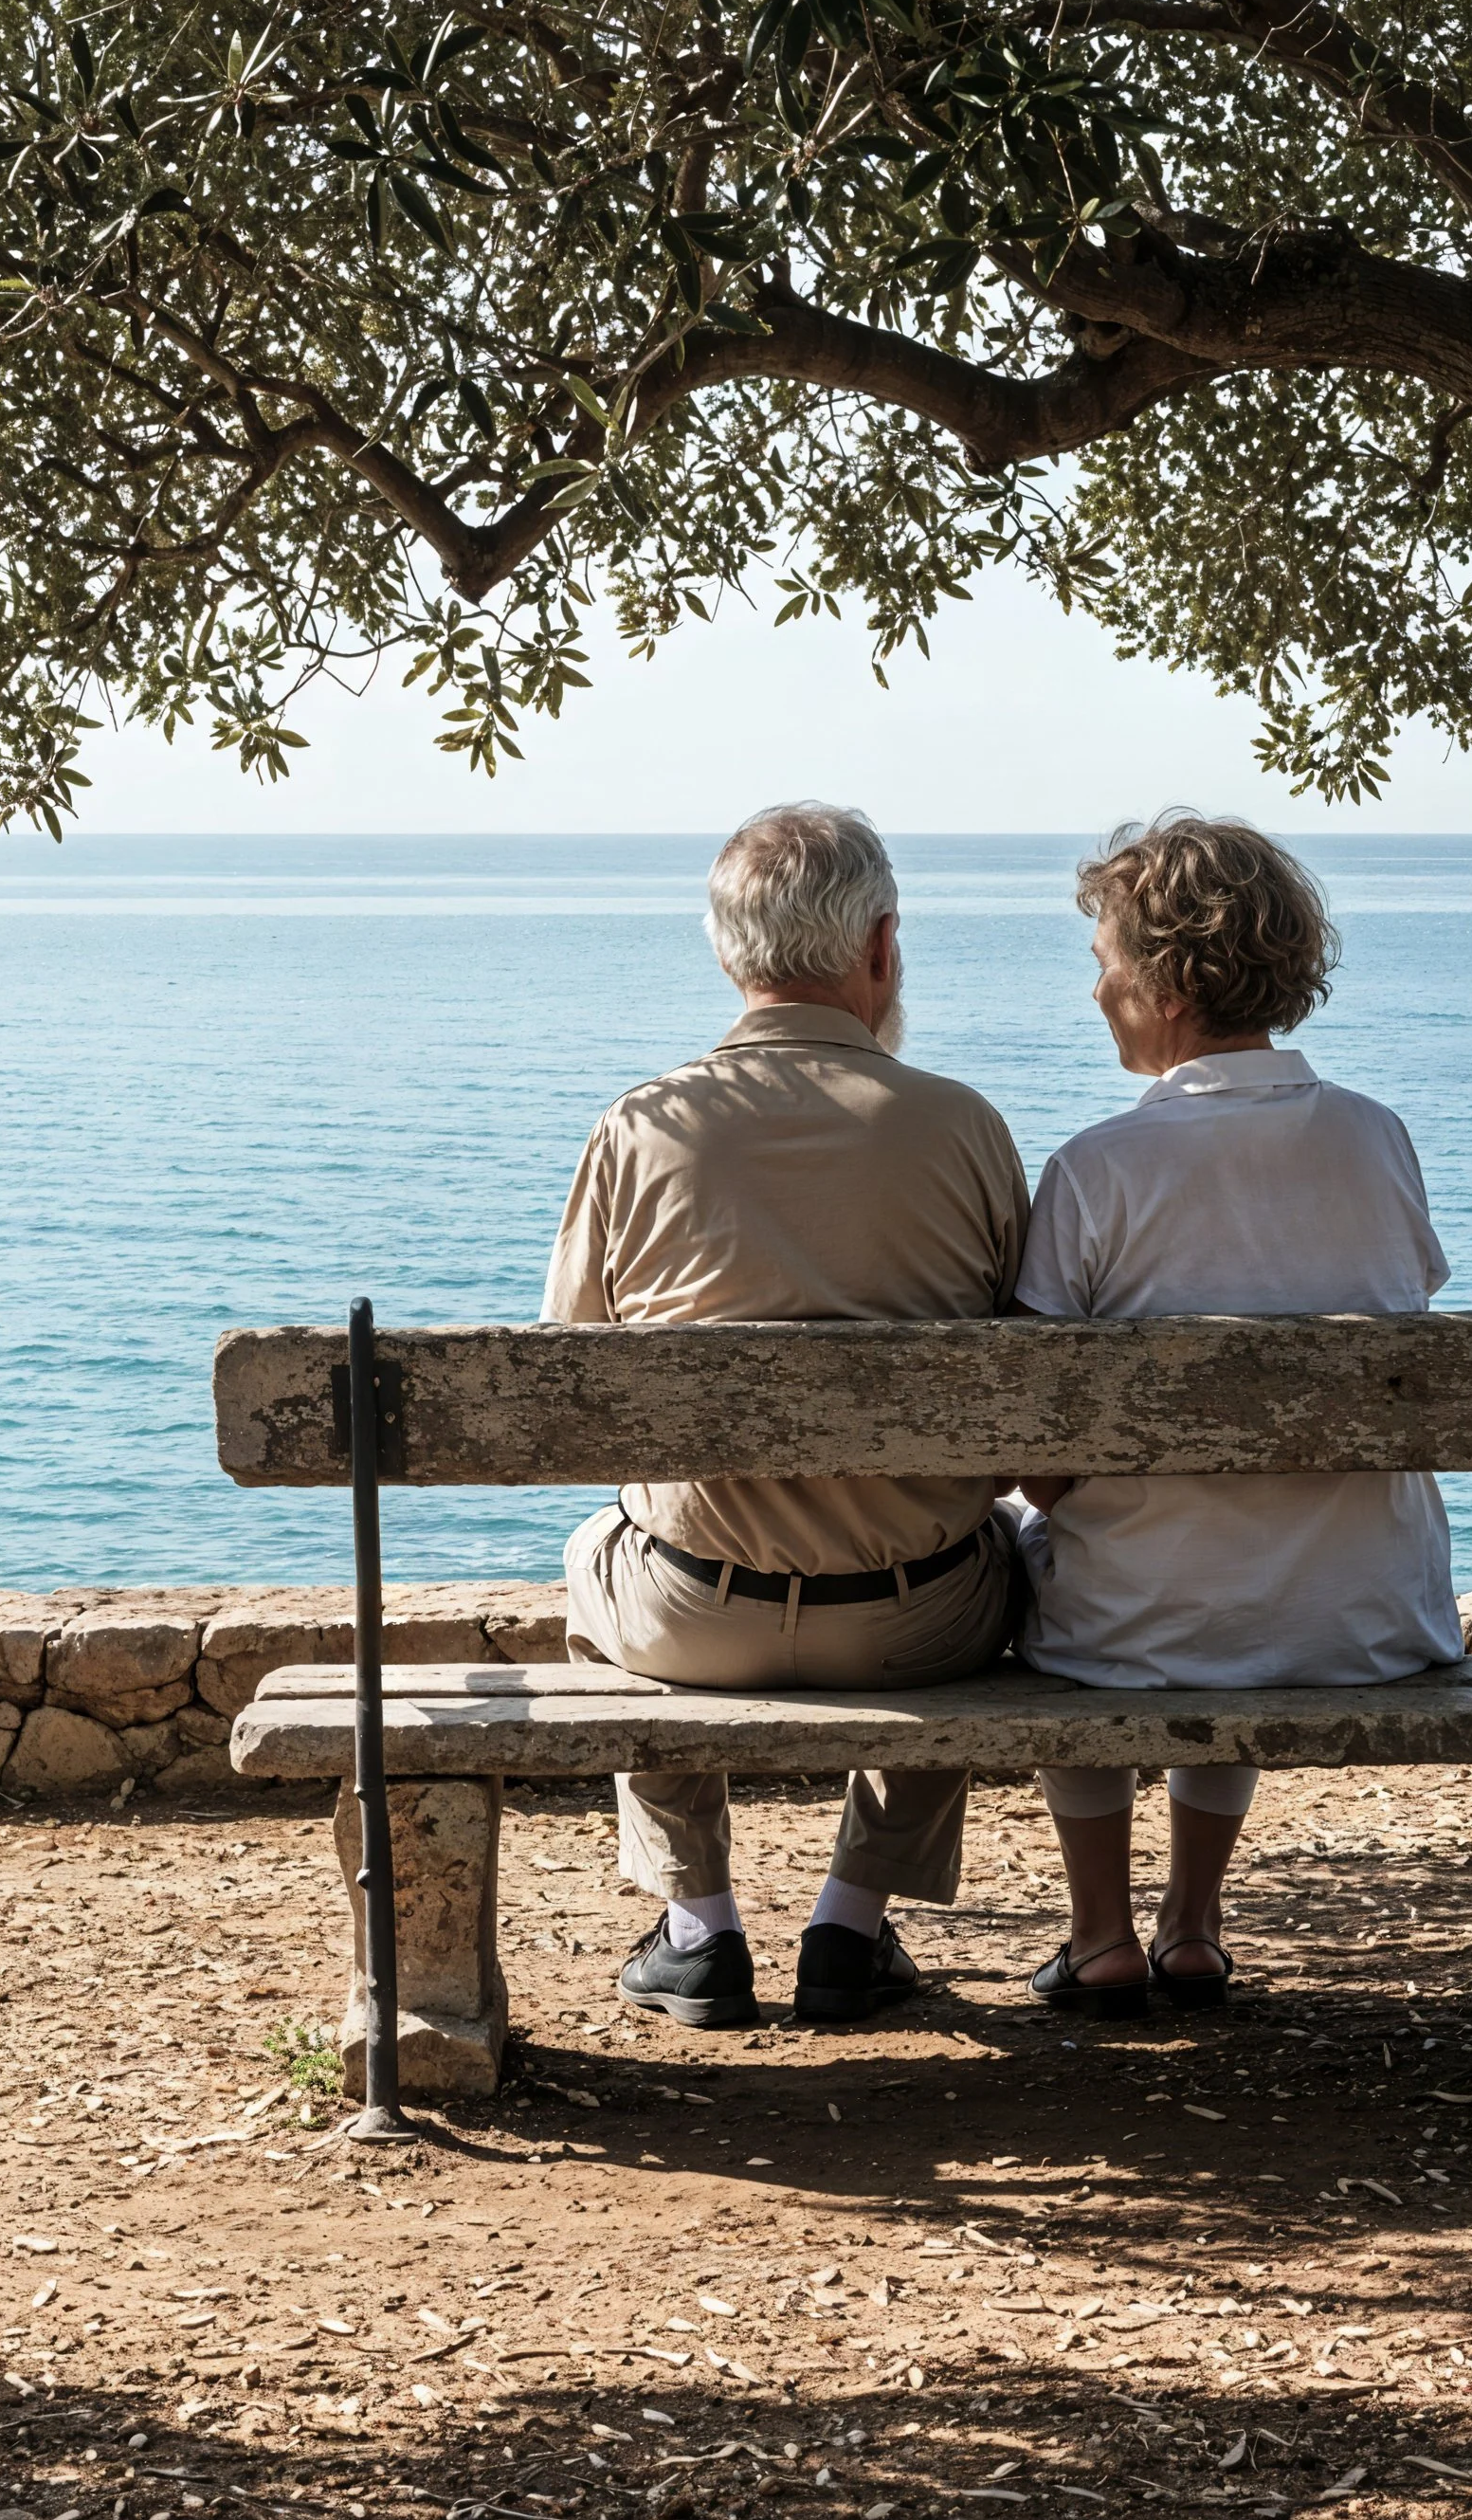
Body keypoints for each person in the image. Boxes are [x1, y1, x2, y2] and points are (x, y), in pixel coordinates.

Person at [545, 802, 1027, 2031]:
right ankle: (850, 1921)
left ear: (729, 952)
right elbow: (1029, 1397)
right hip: (921, 1618)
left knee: (594, 1557)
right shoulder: (964, 1127)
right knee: (1003, 1560)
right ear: (882, 945)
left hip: (692, 1614)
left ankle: (699, 1926)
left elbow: (570, 1392)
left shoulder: (638, 1129)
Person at [1012, 813, 1462, 2015]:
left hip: (1140, 1628)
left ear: (1164, 981)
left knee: (1061, 1564)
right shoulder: (1378, 1138)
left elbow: (1043, 1461)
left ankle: (1101, 1932)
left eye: (1106, 955)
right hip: (1363, 1614)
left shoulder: (1095, 1168)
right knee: (1270, 1534)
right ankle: (1194, 1923)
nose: (1094, 981)